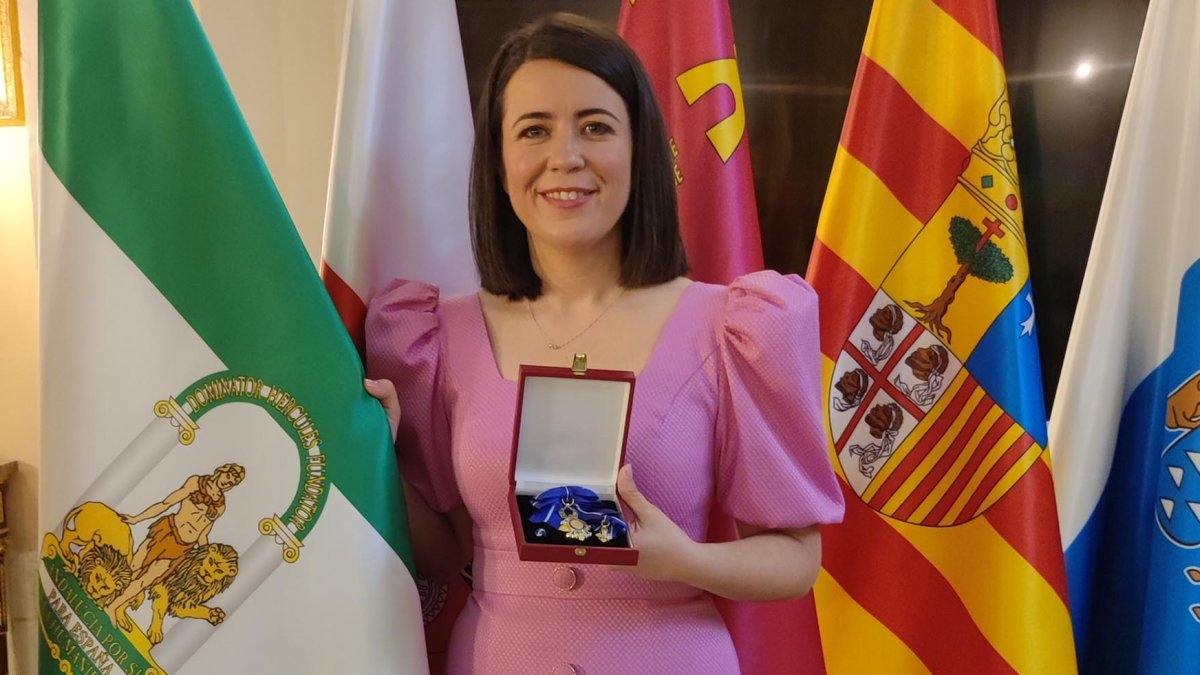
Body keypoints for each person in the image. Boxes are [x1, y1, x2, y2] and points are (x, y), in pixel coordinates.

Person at [364, 13, 843, 673]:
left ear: (639, 151)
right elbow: (442, 555)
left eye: (595, 127)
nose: (566, 156)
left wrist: (685, 560)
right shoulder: (434, 333)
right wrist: (377, 450)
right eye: (534, 130)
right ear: (498, 162)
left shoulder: (734, 327)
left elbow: (797, 557)